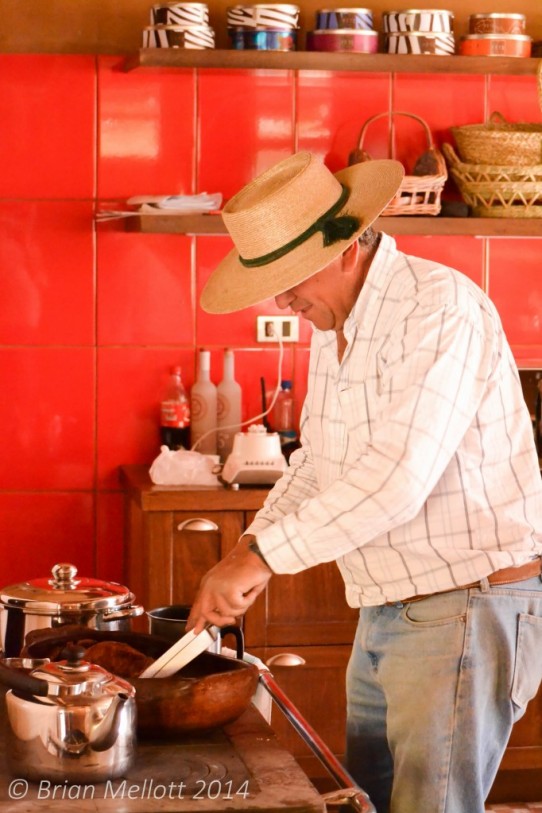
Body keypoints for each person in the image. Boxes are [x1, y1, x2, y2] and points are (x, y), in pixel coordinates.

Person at [187, 151, 542, 813]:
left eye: (291, 276)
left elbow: (394, 481)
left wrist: (262, 558)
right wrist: (245, 551)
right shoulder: (339, 326)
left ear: (348, 246)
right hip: (387, 606)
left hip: (463, 606)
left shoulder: (439, 309)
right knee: (370, 803)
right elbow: (320, 462)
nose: (283, 299)